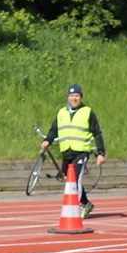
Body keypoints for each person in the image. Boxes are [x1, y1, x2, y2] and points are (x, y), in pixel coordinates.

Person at [41, 84, 106, 218]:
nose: (74, 98)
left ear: (81, 97)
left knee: (75, 181)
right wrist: (48, 140)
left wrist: (101, 153)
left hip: (81, 152)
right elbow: (54, 129)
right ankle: (86, 203)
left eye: (76, 96)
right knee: (68, 180)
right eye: (71, 96)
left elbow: (97, 133)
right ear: (67, 97)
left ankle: (80, 206)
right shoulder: (61, 112)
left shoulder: (87, 112)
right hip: (67, 152)